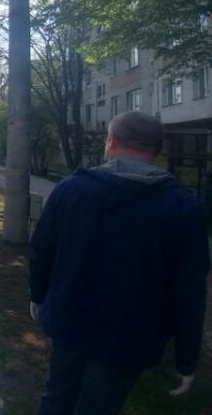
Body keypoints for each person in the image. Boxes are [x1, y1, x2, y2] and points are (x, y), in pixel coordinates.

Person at [30, 111, 209, 414]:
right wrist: (186, 359)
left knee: (56, 398)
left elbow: (41, 250)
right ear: (158, 150)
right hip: (131, 338)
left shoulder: (71, 190)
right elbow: (190, 290)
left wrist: (38, 296)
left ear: (110, 142)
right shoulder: (185, 208)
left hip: (69, 323)